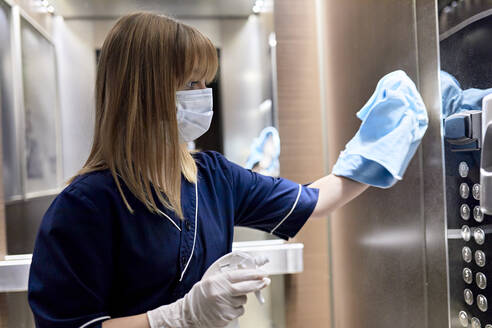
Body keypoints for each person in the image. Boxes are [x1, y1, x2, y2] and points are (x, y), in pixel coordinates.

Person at [27, 12, 427, 328]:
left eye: (207, 82)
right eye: (192, 83)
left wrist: (376, 146)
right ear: (144, 93)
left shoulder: (214, 177)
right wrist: (175, 318)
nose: (204, 96)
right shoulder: (85, 207)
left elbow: (316, 200)